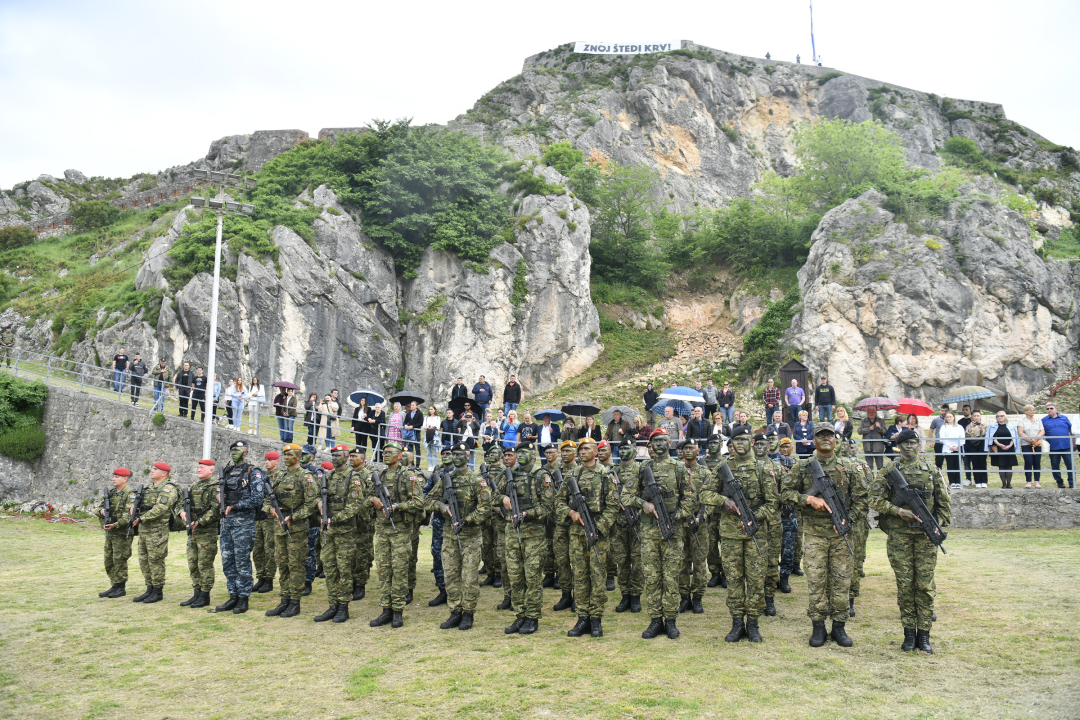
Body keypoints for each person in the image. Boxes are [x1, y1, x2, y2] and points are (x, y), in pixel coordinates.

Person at [782, 425, 868, 648]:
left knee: (841, 581)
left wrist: (847, 520)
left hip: (842, 535)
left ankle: (839, 627)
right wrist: (809, 500)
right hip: (814, 535)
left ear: (836, 440)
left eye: (830, 435)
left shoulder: (848, 467)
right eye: (821, 435)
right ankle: (818, 627)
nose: (826, 439)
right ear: (814, 439)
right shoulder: (803, 467)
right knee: (816, 582)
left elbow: (862, 500)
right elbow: (785, 494)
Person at [871, 428, 951, 654]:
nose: (908, 446)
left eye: (913, 442)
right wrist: (897, 511)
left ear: (919, 445)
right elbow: (872, 499)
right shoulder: (889, 471)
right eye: (904, 443)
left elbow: (944, 505)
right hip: (900, 537)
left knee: (924, 586)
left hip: (925, 538)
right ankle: (908, 634)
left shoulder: (932, 470)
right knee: (905, 586)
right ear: (898, 446)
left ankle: (924, 635)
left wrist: (936, 527)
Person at [700, 429, 778, 643]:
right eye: (736, 440)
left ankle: (752, 624)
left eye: (744, 439)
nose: (740, 443)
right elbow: (705, 493)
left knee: (755, 580)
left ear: (752, 442)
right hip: (730, 535)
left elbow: (773, 505)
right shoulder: (722, 467)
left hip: (756, 534)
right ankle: (736, 623)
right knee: (734, 580)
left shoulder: (763, 468)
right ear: (731, 444)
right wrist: (724, 502)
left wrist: (754, 516)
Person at [625, 429, 696, 640]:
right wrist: (643, 504)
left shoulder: (680, 468)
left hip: (672, 532)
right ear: (650, 445)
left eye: (662, 440)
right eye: (654, 441)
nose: (658, 444)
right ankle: (655, 619)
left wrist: (675, 517)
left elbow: (690, 499)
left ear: (670, 443)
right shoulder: (642, 469)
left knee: (671, 577)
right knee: (652, 577)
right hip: (648, 532)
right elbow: (626, 495)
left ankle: (671, 621)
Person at [555, 437, 617, 638]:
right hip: (577, 533)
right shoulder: (572, 474)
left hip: (598, 532)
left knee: (598, 577)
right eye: (580, 449)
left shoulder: (606, 474)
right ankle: (582, 618)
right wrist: (571, 513)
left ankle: (596, 619)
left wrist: (598, 528)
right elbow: (559, 501)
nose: (582, 452)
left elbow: (613, 506)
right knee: (580, 576)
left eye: (587, 448)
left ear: (596, 451)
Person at [430, 442, 491, 631]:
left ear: (468, 455)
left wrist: (466, 520)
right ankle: (455, 611)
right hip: (449, 537)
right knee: (450, 575)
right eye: (453, 454)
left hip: (471, 537)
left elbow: (485, 508)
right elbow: (428, 500)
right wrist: (443, 507)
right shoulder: (446, 479)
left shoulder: (476, 480)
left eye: (460, 454)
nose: (456, 457)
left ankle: (468, 613)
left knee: (470, 577)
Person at [368, 441, 424, 629]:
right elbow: (367, 496)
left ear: (399, 456)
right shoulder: (380, 475)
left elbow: (418, 502)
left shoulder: (408, 475)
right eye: (383, 452)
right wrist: (374, 500)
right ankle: (386, 610)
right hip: (382, 531)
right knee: (383, 571)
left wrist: (397, 506)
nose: (385, 455)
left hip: (400, 530)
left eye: (389, 452)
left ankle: (398, 611)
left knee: (399, 571)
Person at [264, 444, 317, 618]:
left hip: (296, 529)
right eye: (284, 455)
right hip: (279, 527)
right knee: (283, 564)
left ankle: (295, 602)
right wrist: (271, 510)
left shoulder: (305, 476)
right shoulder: (279, 477)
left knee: (295, 565)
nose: (286, 458)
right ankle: (284, 599)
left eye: (290, 455)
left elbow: (311, 505)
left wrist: (292, 517)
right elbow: (267, 500)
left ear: (299, 456)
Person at [213, 440, 266, 614]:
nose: (234, 453)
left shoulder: (253, 472)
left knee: (242, 560)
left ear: (245, 452)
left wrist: (235, 506)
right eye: (232, 450)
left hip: (243, 523)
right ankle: (233, 595)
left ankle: (243, 598)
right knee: (228, 561)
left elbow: (258, 498)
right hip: (226, 522)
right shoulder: (227, 472)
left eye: (238, 450)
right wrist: (219, 497)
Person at [313, 444, 363, 624]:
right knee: (329, 568)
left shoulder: (353, 477)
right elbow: (317, 495)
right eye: (332, 455)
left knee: (344, 570)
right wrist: (319, 505)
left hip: (345, 532)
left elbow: (355, 506)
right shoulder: (328, 477)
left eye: (338, 455)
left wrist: (334, 519)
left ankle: (343, 607)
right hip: (328, 532)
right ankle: (332, 604)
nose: (334, 458)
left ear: (347, 456)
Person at [130, 462, 179, 604]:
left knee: (155, 559)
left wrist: (141, 518)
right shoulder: (147, 489)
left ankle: (157, 590)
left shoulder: (168, 488)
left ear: (164, 473)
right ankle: (149, 588)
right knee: (144, 560)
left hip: (157, 530)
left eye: (155, 469)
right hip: (144, 530)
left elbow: (161, 507)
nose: (152, 470)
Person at [179, 458, 220, 610]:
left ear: (211, 470)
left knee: (204, 564)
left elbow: (216, 509)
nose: (199, 469)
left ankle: (205, 595)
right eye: (198, 467)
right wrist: (182, 513)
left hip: (206, 531)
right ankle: (196, 592)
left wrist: (200, 522)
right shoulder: (195, 485)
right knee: (193, 563)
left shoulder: (215, 487)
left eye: (203, 467)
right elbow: (185, 503)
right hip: (193, 531)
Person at [678, 441, 711, 616]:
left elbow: (710, 498)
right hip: (681, 522)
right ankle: (684, 596)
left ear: (698, 451)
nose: (689, 451)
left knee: (699, 561)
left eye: (692, 448)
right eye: (686, 448)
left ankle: (697, 596)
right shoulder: (677, 471)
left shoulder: (705, 473)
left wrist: (702, 516)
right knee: (681, 561)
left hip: (700, 524)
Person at [611, 440, 644, 614]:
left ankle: (636, 595)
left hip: (637, 522)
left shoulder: (641, 470)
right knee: (622, 561)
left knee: (637, 561)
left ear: (634, 450)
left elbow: (646, 494)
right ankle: (625, 595)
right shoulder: (613, 471)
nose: (624, 451)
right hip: (619, 523)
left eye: (627, 448)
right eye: (621, 448)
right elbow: (608, 494)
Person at [97, 468, 134, 598]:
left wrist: (116, 524)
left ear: (125, 479)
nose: (113, 479)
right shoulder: (111, 494)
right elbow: (99, 507)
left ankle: (120, 587)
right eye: (113, 476)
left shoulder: (130, 494)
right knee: (109, 561)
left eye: (117, 477)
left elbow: (129, 515)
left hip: (122, 533)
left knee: (120, 560)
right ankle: (114, 585)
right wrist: (102, 512)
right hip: (111, 533)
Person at [348, 447, 376, 602]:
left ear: (363, 459)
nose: (351, 459)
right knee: (350, 552)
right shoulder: (348, 474)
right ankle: (350, 580)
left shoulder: (369, 475)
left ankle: (360, 583)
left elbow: (372, 496)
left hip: (364, 521)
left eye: (354, 456)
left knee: (362, 553)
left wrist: (356, 507)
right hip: (349, 521)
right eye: (350, 456)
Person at [252, 451, 280, 595]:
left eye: (270, 460)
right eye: (266, 460)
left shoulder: (280, 476)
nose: (267, 462)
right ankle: (261, 576)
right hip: (259, 516)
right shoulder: (261, 476)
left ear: (277, 461)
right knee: (257, 548)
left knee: (269, 548)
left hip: (270, 518)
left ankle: (268, 578)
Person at [1042, 402, 1075, 488]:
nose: (1049, 410)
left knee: (1070, 464)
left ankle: (1071, 482)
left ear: (1056, 409)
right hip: (1053, 447)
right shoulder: (1044, 420)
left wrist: (1074, 443)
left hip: (1066, 446)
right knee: (1055, 465)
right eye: (1047, 409)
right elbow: (1041, 432)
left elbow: (1071, 431)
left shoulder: (1064, 418)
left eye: (1051, 408)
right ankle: (1059, 482)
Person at [985, 411, 1019, 489]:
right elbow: (992, 437)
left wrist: (1010, 445)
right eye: (998, 416)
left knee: (1009, 466)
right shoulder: (992, 426)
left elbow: (1013, 437)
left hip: (1009, 447)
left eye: (1001, 416)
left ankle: (1009, 484)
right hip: (998, 448)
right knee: (1001, 466)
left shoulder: (1011, 426)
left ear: (1005, 416)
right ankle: (1003, 484)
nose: (1000, 417)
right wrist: (999, 444)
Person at [1017, 404, 1045, 488]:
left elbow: (1042, 431)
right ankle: (1028, 481)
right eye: (1030, 409)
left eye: (1033, 409)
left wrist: (1035, 440)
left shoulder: (1038, 420)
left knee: (1037, 462)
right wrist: (1030, 440)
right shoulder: (1022, 421)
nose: (1032, 411)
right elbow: (1021, 432)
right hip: (1026, 444)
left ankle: (1037, 481)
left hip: (1037, 444)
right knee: (1028, 461)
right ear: (1025, 412)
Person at [939, 412, 965, 489]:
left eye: (950, 417)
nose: (949, 418)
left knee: (957, 465)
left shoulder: (959, 427)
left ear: (954, 417)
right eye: (947, 417)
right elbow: (942, 437)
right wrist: (950, 445)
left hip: (958, 448)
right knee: (950, 465)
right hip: (948, 448)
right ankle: (952, 481)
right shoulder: (944, 427)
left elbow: (962, 438)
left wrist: (957, 446)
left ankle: (958, 481)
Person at [963, 411, 989, 488]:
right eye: (975, 416)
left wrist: (982, 430)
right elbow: (966, 435)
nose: (976, 417)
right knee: (975, 463)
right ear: (972, 417)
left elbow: (987, 434)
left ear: (980, 417)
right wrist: (970, 428)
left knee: (982, 463)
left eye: (978, 416)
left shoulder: (985, 425)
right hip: (972, 445)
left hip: (982, 444)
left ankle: (984, 481)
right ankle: (977, 481)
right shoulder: (969, 425)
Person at [929, 404, 949, 471]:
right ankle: (938, 477)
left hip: (949, 444)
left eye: (945, 411)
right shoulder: (936, 420)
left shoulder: (951, 420)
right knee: (938, 462)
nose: (944, 412)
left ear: (948, 411)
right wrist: (931, 441)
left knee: (950, 462)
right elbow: (931, 430)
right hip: (939, 443)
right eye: (942, 411)